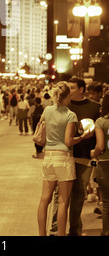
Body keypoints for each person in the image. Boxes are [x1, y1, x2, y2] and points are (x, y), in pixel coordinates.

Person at [37, 81, 93, 236]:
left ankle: (42, 234)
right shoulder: (70, 115)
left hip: (48, 157)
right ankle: (61, 234)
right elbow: (68, 141)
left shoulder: (47, 110)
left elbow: (42, 127)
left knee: (44, 200)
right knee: (63, 201)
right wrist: (82, 136)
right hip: (63, 159)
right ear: (67, 96)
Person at [67, 76, 101, 236]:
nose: (69, 91)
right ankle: (64, 229)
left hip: (85, 157)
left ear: (81, 89)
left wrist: (97, 153)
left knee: (79, 194)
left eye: (72, 88)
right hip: (65, 155)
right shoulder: (64, 106)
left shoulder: (95, 107)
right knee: (64, 196)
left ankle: (74, 230)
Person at [90, 92, 109, 235]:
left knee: (107, 203)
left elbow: (101, 146)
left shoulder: (101, 122)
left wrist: (94, 153)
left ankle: (106, 231)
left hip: (105, 164)